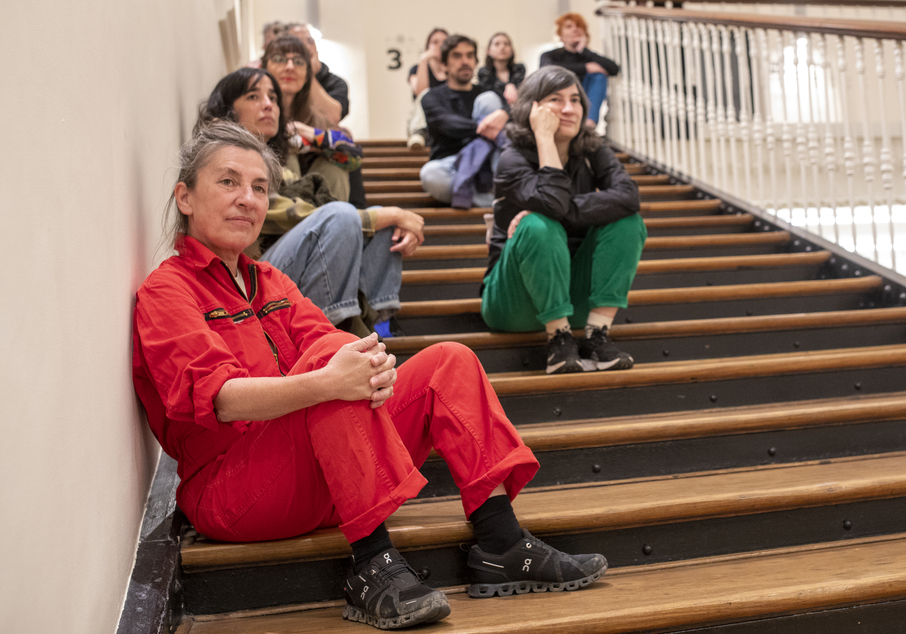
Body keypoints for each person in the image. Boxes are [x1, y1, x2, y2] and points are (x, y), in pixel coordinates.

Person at [133, 121, 607, 630]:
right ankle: (372, 563)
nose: (247, 199)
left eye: (260, 188)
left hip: (318, 471)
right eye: (228, 182)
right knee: (333, 358)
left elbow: (338, 351)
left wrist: (369, 371)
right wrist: (332, 379)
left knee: (449, 359)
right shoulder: (167, 292)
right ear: (185, 196)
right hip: (234, 494)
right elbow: (221, 399)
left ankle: (501, 540)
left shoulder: (269, 279)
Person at [198, 68, 423, 335]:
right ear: (228, 109)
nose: (269, 104)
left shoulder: (280, 158)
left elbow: (350, 155)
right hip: (246, 275)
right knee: (343, 216)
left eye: (273, 97)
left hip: (283, 267)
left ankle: (378, 324)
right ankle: (341, 331)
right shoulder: (222, 157)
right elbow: (286, 214)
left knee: (373, 223)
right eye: (253, 96)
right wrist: (394, 213)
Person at [482, 66, 646, 374]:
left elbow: (628, 196)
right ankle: (559, 341)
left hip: (573, 298)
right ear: (533, 108)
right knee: (537, 226)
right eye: (556, 99)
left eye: (575, 99)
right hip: (513, 302)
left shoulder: (592, 149)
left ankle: (597, 335)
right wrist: (544, 137)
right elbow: (552, 206)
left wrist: (561, 209)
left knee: (628, 222)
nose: (569, 109)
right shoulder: (511, 159)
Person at [263, 34, 358, 204]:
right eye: (279, 59)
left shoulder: (316, 117)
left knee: (335, 166)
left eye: (299, 62)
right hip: (271, 206)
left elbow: (354, 156)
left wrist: (304, 131)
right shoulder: (256, 111)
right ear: (265, 67)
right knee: (286, 153)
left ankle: (331, 224)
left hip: (316, 203)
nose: (290, 67)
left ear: (308, 74)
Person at [419, 34, 509, 208]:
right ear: (444, 64)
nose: (465, 61)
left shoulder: (487, 92)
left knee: (489, 99)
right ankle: (490, 200)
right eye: (457, 56)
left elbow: (513, 114)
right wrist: (489, 126)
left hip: (488, 163)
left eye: (470, 55)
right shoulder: (432, 97)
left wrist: (504, 114)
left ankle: (478, 193)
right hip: (453, 165)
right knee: (430, 174)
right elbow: (447, 124)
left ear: (476, 62)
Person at [539, 13, 619, 128]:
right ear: (560, 35)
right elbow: (546, 69)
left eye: (578, 26)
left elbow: (614, 69)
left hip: (584, 96)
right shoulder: (550, 55)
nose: (575, 29)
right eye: (569, 26)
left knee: (598, 76)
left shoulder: (588, 55)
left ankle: (589, 124)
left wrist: (584, 50)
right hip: (561, 94)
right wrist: (586, 68)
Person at [289, 22, 351, 122]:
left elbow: (332, 118)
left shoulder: (336, 83)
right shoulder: (283, 79)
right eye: (298, 42)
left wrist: (309, 75)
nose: (307, 47)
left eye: (310, 41)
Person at [406, 28, 448, 149]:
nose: (440, 45)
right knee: (427, 94)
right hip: (423, 121)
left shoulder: (454, 71)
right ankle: (419, 132)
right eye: (435, 42)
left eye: (444, 42)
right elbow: (419, 91)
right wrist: (424, 60)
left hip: (446, 119)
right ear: (427, 46)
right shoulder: (415, 69)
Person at [476, 32, 525, 106]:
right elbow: (490, 94)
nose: (502, 47)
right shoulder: (484, 72)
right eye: (497, 44)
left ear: (512, 50)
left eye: (506, 44)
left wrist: (511, 86)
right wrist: (508, 86)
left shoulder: (519, 68)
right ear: (488, 51)